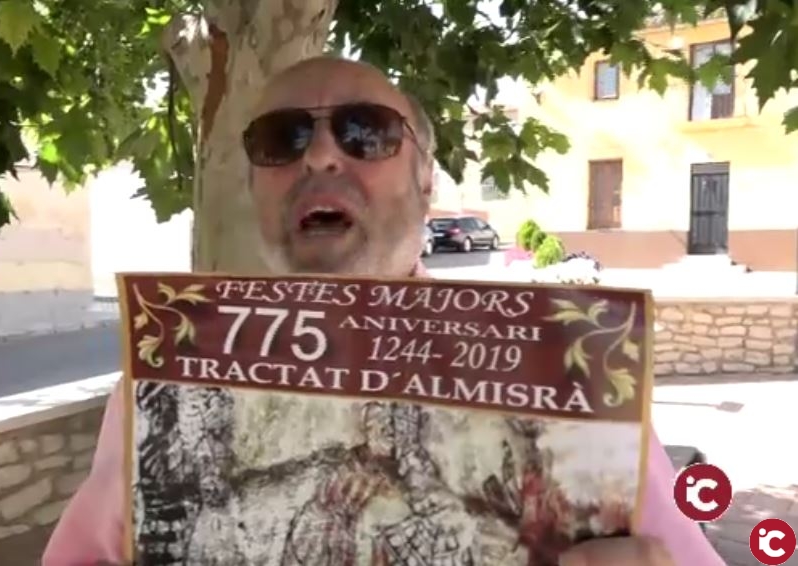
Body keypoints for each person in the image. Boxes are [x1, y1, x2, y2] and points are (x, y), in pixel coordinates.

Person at [43, 56, 724, 566]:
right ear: (253, 187)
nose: (320, 155)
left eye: (365, 132)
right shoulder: (169, 377)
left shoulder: (560, 370)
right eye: (282, 139)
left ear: (427, 181)